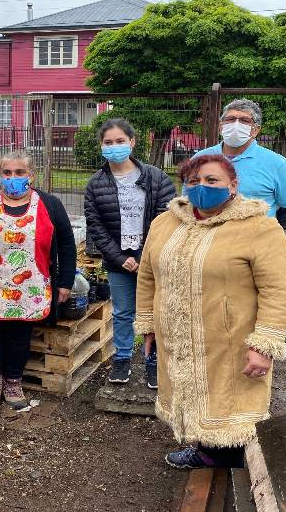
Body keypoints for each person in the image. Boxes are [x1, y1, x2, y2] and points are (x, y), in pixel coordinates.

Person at [135, 153, 286, 469]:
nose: (202, 187)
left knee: (228, 405)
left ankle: (231, 463)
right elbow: (147, 275)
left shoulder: (260, 228)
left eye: (212, 180)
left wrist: (264, 345)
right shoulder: (165, 223)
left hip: (230, 339)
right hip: (179, 335)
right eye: (194, 181)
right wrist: (149, 323)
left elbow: (278, 290)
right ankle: (207, 451)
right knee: (192, 394)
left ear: (233, 186)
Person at [0, 150, 76, 415]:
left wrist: (65, 282)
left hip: (29, 287)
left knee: (20, 336)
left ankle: (12, 384)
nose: (13, 178)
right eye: (7, 173)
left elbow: (66, 243)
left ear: (31, 175)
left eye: (20, 172)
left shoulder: (50, 204)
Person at [84, 118, 176, 388]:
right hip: (118, 260)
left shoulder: (156, 177)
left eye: (120, 141)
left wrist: (146, 256)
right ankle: (122, 358)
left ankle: (153, 361)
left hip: (153, 257)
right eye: (108, 142)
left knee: (156, 310)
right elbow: (96, 226)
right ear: (101, 146)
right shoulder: (95, 184)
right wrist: (120, 258)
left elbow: (167, 217)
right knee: (123, 312)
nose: (115, 147)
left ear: (132, 142)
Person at [192, 99, 286, 229]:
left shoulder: (277, 164)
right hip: (208, 241)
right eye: (230, 119)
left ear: (256, 130)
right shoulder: (200, 159)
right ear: (220, 126)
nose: (236, 124)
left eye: (245, 121)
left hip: (254, 245)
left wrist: (267, 231)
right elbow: (188, 201)